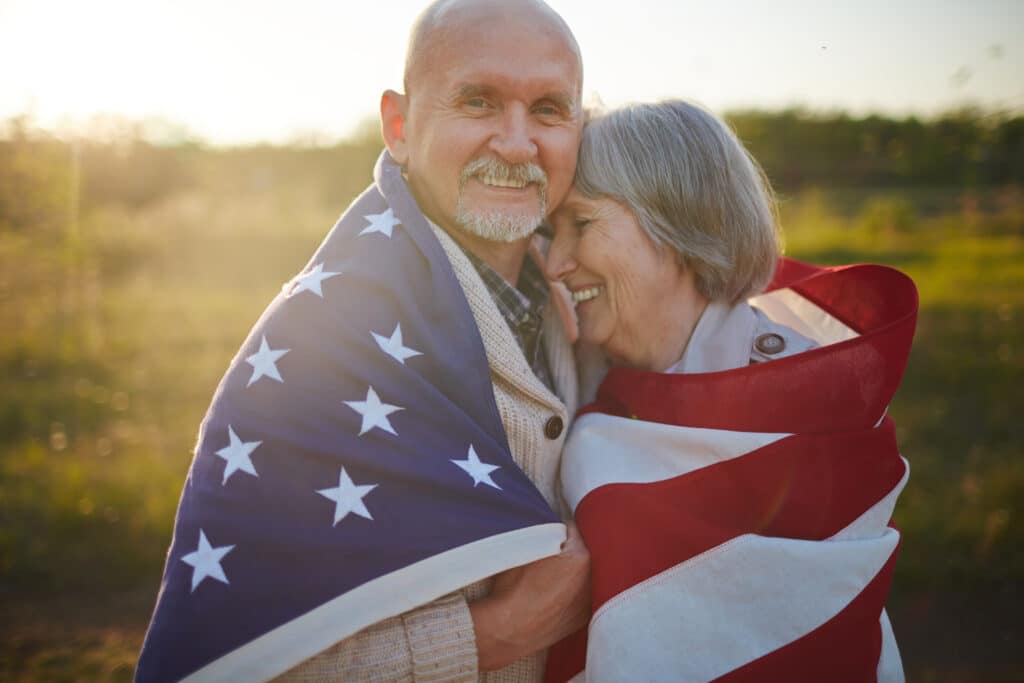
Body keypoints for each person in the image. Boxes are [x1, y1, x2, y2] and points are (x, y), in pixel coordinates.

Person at [135, 2, 591, 681]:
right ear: (399, 127)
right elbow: (238, 666)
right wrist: (497, 633)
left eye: (549, 110)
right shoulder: (319, 343)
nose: (518, 144)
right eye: (478, 101)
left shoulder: (591, 294)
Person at [542, 101, 914, 681]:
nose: (555, 263)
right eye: (549, 232)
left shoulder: (814, 403)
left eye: (582, 224)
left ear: (678, 225)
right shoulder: (560, 376)